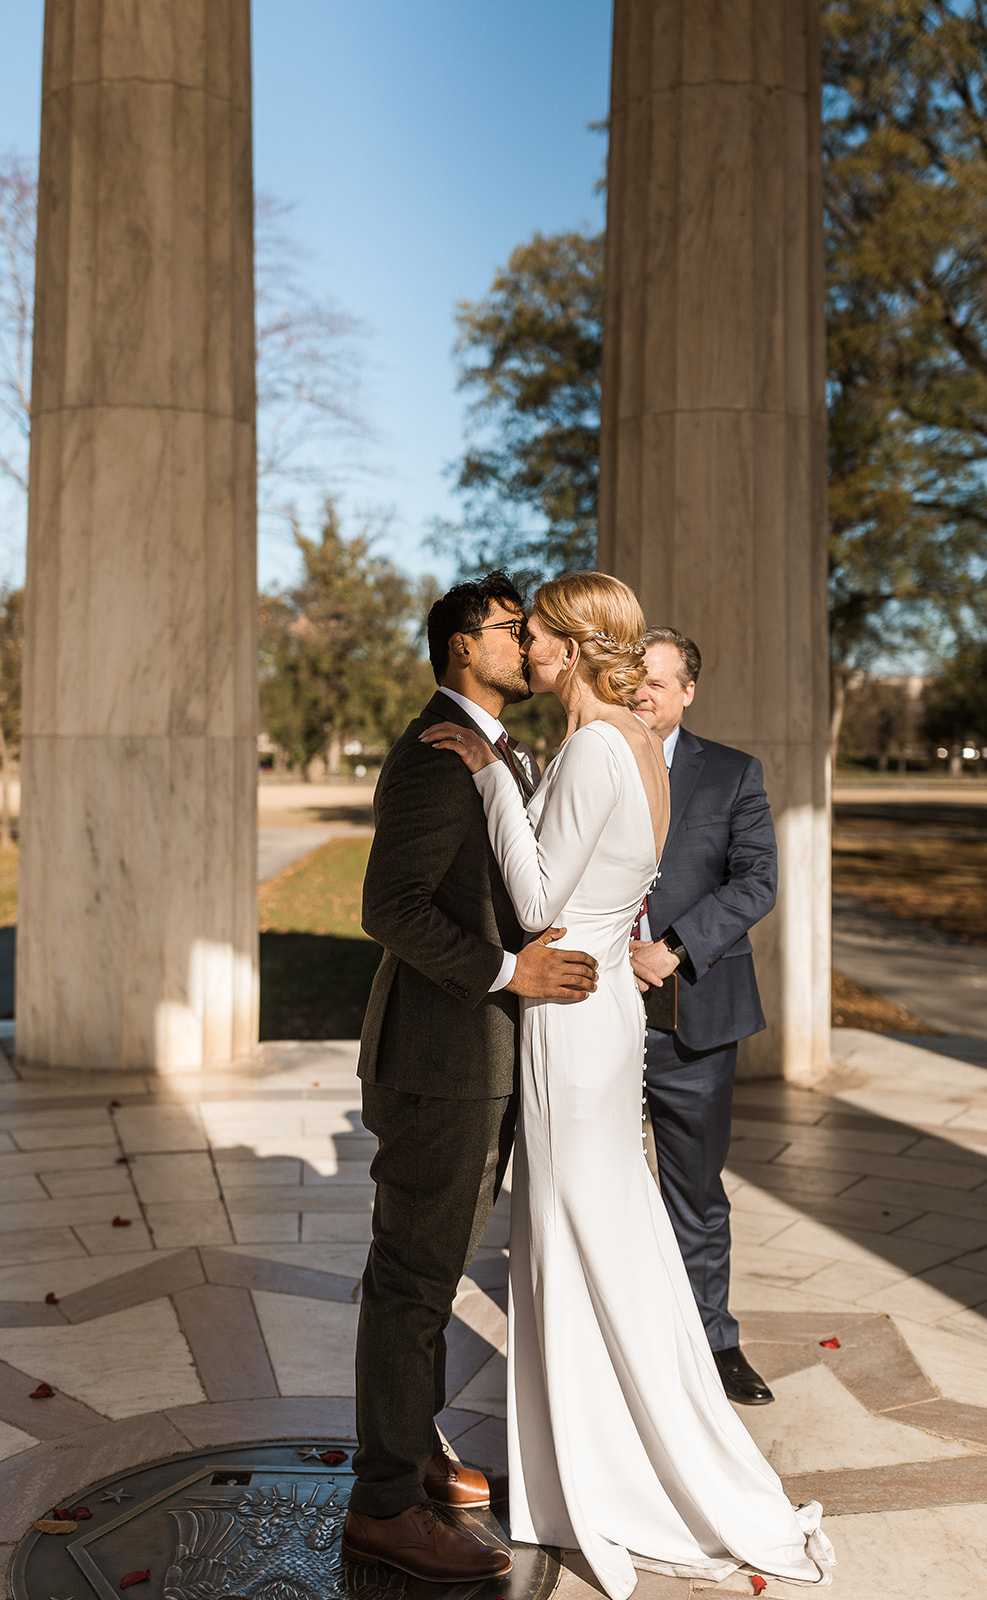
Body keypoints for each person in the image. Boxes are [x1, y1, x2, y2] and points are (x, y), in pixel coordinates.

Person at [422, 572, 834, 1600]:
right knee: (589, 1229)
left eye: (540, 634)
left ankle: (600, 1473)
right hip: (599, 1007)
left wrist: (486, 774)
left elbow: (530, 899)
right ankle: (588, 1460)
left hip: (568, 1016)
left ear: (571, 644)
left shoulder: (600, 744)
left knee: (572, 1233)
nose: (528, 649)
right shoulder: (639, 745)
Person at [342, 572, 599, 1583]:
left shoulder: (499, 750)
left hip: (477, 1060)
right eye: (510, 632)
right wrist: (508, 970)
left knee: (430, 1270)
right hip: (437, 1063)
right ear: (461, 647)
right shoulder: (432, 757)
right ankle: (381, 1503)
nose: (527, 645)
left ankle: (413, 1451)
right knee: (411, 1277)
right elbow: (390, 909)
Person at [630, 628, 778, 1406]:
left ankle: (713, 1341)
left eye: (657, 682)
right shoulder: (591, 760)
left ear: (688, 691)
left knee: (693, 1188)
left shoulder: (731, 773)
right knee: (600, 1184)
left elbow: (756, 882)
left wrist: (674, 948)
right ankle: (619, 1338)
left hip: (694, 1010)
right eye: (633, 679)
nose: (642, 693)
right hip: (596, 1010)